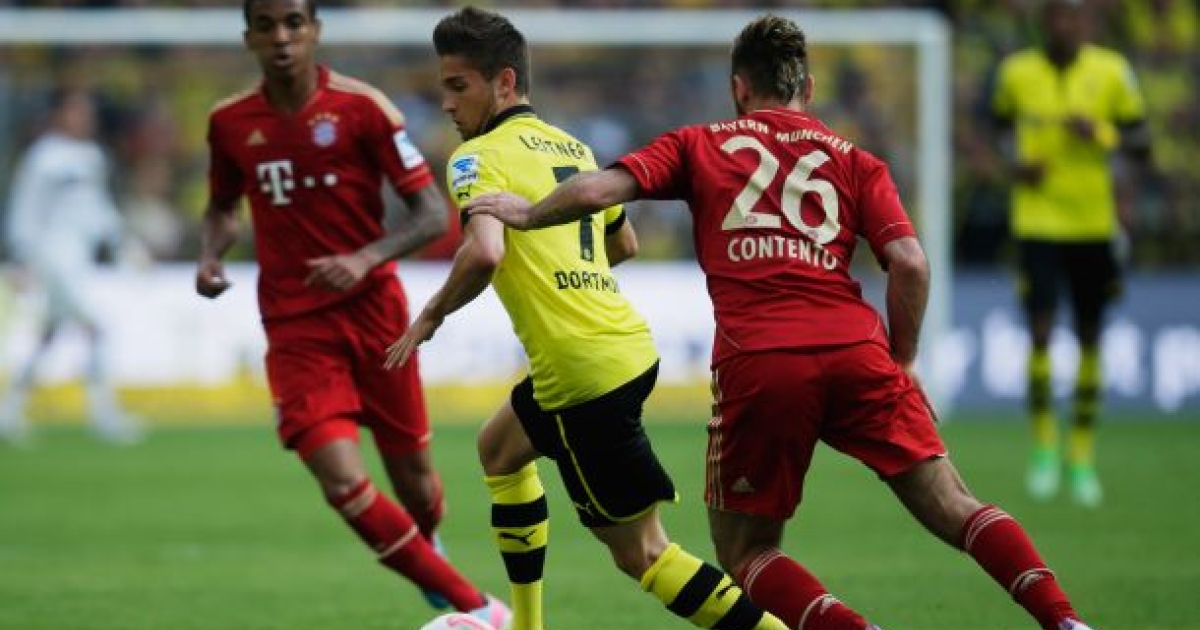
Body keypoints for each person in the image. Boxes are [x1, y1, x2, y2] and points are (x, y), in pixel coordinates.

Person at [467, 13, 1099, 630]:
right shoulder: (857, 160)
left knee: (747, 551)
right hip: (857, 350)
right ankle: (1065, 619)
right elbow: (910, 263)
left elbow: (597, 189)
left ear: (738, 88)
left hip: (763, 359)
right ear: (809, 88)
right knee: (955, 504)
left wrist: (528, 214)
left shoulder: (698, 143)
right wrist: (903, 360)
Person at [386, 8, 799, 630]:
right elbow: (624, 242)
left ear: (504, 82)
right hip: (621, 346)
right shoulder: (573, 146)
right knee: (500, 448)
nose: (445, 103)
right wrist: (564, 270)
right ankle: (526, 625)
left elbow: (485, 252)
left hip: (581, 373)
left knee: (645, 555)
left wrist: (430, 315)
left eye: (457, 86)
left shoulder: (475, 158)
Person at [194, 0, 508, 624]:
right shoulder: (229, 123)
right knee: (340, 479)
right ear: (249, 37)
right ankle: (479, 607)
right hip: (295, 325)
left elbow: (431, 215)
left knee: (416, 480)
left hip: (374, 314)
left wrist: (366, 257)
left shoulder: (364, 108)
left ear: (314, 31)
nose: (282, 37)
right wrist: (210, 254)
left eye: (294, 23)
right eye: (266, 26)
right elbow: (224, 207)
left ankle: (428, 548)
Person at [990, 0, 1151, 507]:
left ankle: (1081, 456)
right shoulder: (1017, 73)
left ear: (1088, 24)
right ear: (1046, 23)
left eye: (1076, 17)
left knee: (1090, 337)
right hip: (1036, 220)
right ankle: (1044, 447)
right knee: (1040, 332)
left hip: (1092, 224)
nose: (1067, 26)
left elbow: (1142, 141)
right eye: (1059, 16)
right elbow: (997, 129)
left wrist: (1099, 133)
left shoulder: (1113, 71)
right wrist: (1014, 165)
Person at [0, 87, 144, 446]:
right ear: (58, 115)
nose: (84, 118)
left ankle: (9, 410)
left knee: (49, 335)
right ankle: (104, 414)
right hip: (52, 257)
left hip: (79, 258)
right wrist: (20, 258)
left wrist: (123, 243)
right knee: (96, 328)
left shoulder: (92, 156)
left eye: (86, 112)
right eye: (76, 111)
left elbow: (97, 208)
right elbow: (25, 207)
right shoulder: (43, 157)